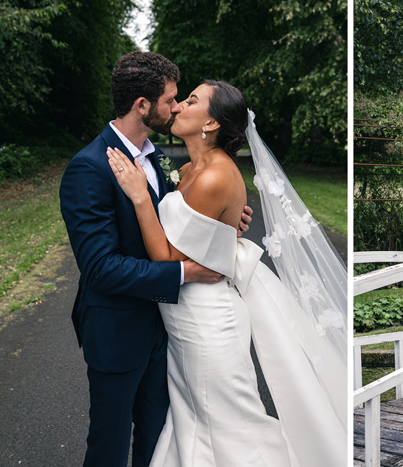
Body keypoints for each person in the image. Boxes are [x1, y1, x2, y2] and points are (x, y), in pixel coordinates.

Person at [105, 79, 347, 466]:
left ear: (212, 124)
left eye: (191, 100)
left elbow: (169, 264)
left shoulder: (215, 177)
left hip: (207, 325)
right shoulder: (187, 169)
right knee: (196, 428)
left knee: (239, 433)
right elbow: (192, 234)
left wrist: (139, 197)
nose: (179, 106)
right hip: (184, 323)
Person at [59, 52, 252, 467]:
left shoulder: (162, 161)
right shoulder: (89, 168)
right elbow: (100, 268)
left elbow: (179, 222)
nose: (176, 106)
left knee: (159, 441)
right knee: (108, 448)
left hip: (167, 331)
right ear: (142, 106)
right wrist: (186, 271)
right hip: (117, 330)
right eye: (170, 99)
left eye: (183, 99)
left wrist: (222, 222)